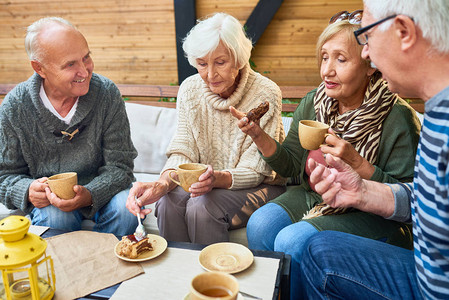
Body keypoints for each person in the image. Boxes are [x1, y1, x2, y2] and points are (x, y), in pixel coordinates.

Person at [231, 9, 421, 300]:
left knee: (293, 239)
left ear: (370, 64)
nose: (327, 70)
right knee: (260, 223)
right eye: (324, 57)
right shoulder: (314, 103)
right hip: (314, 196)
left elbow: (407, 198)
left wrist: (357, 163)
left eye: (340, 59)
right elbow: (291, 165)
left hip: (372, 214)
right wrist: (257, 133)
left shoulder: (397, 118)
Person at [299, 1, 449, 299]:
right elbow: (429, 200)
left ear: (403, 31)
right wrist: (363, 192)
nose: (366, 52)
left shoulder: (418, 119)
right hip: (423, 273)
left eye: (367, 37)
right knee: (319, 251)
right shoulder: (436, 112)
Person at [126, 13, 286, 244]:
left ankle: (211, 279)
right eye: (202, 64)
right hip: (208, 183)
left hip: (260, 185)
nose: (210, 75)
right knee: (168, 201)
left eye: (220, 62)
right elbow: (183, 150)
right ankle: (179, 275)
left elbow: (258, 169)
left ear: (239, 59)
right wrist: (162, 183)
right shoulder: (190, 89)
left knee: (202, 206)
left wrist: (217, 179)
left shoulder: (265, 93)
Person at [0, 17, 138, 236]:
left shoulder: (107, 93)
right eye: (70, 64)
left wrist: (90, 193)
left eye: (86, 57)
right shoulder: (15, 106)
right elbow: (4, 176)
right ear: (40, 68)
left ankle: (112, 267)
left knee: (125, 210)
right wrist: (26, 191)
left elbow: (120, 167)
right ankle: (67, 270)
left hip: (104, 190)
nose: (84, 71)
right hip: (52, 202)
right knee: (55, 216)